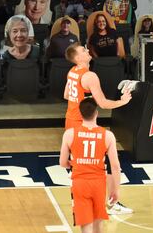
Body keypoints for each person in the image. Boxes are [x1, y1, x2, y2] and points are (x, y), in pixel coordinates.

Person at [59, 98, 130, 232]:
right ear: (96, 113)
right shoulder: (108, 135)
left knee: (86, 226)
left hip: (79, 183)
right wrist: (116, 189)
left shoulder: (69, 134)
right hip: (98, 183)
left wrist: (75, 164)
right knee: (98, 225)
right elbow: (115, 166)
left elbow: (62, 163)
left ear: (80, 115)